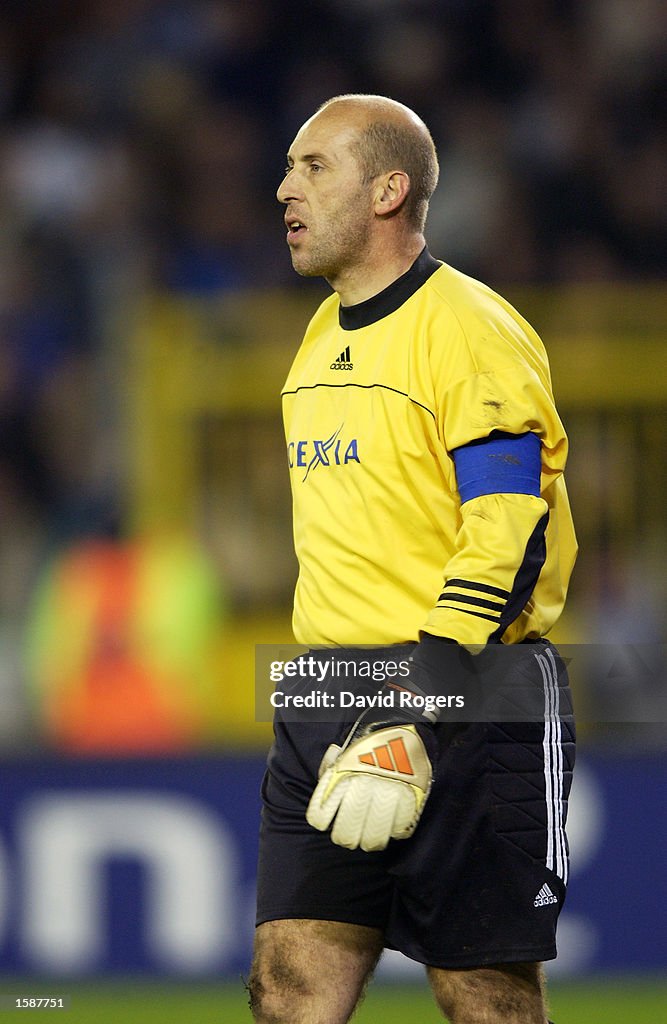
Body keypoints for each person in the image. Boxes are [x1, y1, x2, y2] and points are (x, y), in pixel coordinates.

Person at [249, 94, 577, 1024]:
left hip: (467, 692)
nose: (283, 190)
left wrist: (421, 710)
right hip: (325, 692)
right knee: (287, 986)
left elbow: (512, 529)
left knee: (483, 994)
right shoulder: (317, 339)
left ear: (390, 189)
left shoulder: (469, 330)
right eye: (287, 167)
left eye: (314, 167)